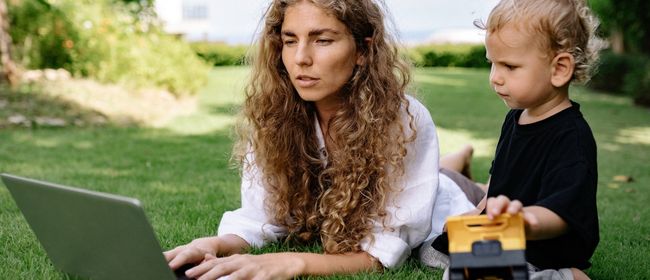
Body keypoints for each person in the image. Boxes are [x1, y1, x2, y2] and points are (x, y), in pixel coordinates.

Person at [164, 0, 479, 279]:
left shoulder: (402, 120)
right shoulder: (276, 115)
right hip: (425, 175)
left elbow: (384, 252)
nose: (301, 58)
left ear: (363, 51)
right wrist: (212, 244)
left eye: (323, 40)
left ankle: (462, 165)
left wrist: (292, 262)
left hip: (439, 198)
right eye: (290, 41)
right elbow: (261, 216)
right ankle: (457, 160)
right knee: (443, 170)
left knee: (455, 184)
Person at [424, 0, 605, 279]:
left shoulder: (572, 137)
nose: (495, 78)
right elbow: (499, 179)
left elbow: (563, 212)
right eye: (492, 64)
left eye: (509, 66)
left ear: (559, 69)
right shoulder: (516, 117)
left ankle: (567, 276)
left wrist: (522, 222)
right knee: (430, 251)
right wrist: (477, 213)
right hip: (503, 236)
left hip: (542, 249)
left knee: (466, 275)